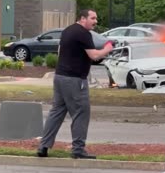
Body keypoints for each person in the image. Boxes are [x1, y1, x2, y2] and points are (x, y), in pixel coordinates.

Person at [37, 9, 113, 159]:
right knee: (81, 113)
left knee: (56, 112)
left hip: (60, 77)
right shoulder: (83, 33)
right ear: (83, 18)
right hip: (74, 80)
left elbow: (64, 52)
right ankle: (78, 149)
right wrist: (108, 48)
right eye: (93, 18)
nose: (95, 21)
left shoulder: (68, 30)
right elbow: (94, 55)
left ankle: (43, 146)